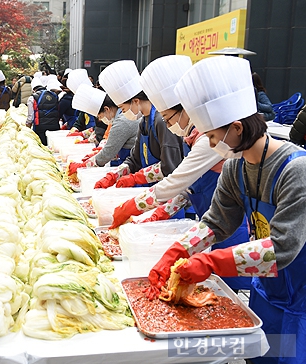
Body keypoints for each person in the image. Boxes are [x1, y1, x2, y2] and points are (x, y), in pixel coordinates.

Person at [149, 56, 306, 364]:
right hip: (266, 291)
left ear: (236, 127)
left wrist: (209, 261)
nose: (210, 143)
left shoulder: (296, 170)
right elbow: (216, 222)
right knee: (259, 358)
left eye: (211, 135)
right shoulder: (235, 167)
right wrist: (177, 250)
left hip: (300, 299)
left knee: (286, 359)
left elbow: (282, 248)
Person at [106, 55, 249, 291]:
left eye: (169, 118)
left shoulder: (209, 144)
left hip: (234, 235)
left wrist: (135, 205)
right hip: (213, 224)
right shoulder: (197, 138)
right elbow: (190, 192)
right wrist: (161, 215)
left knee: (233, 290)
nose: (167, 124)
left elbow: (176, 180)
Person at [94, 60, 185, 191]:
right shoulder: (143, 122)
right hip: (149, 189)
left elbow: (170, 167)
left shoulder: (162, 121)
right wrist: (115, 174)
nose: (123, 113)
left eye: (123, 109)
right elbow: (134, 159)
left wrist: (136, 178)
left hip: (167, 193)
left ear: (135, 101)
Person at [67, 84, 138, 175]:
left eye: (100, 116)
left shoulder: (121, 122)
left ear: (107, 109)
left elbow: (107, 154)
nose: (100, 120)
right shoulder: (119, 118)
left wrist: (82, 166)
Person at [25, 76, 60, 145]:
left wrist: (27, 127)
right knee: (53, 146)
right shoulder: (54, 95)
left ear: (33, 89)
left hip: (40, 127)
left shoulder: (32, 98)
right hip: (54, 126)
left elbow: (30, 116)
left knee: (43, 147)